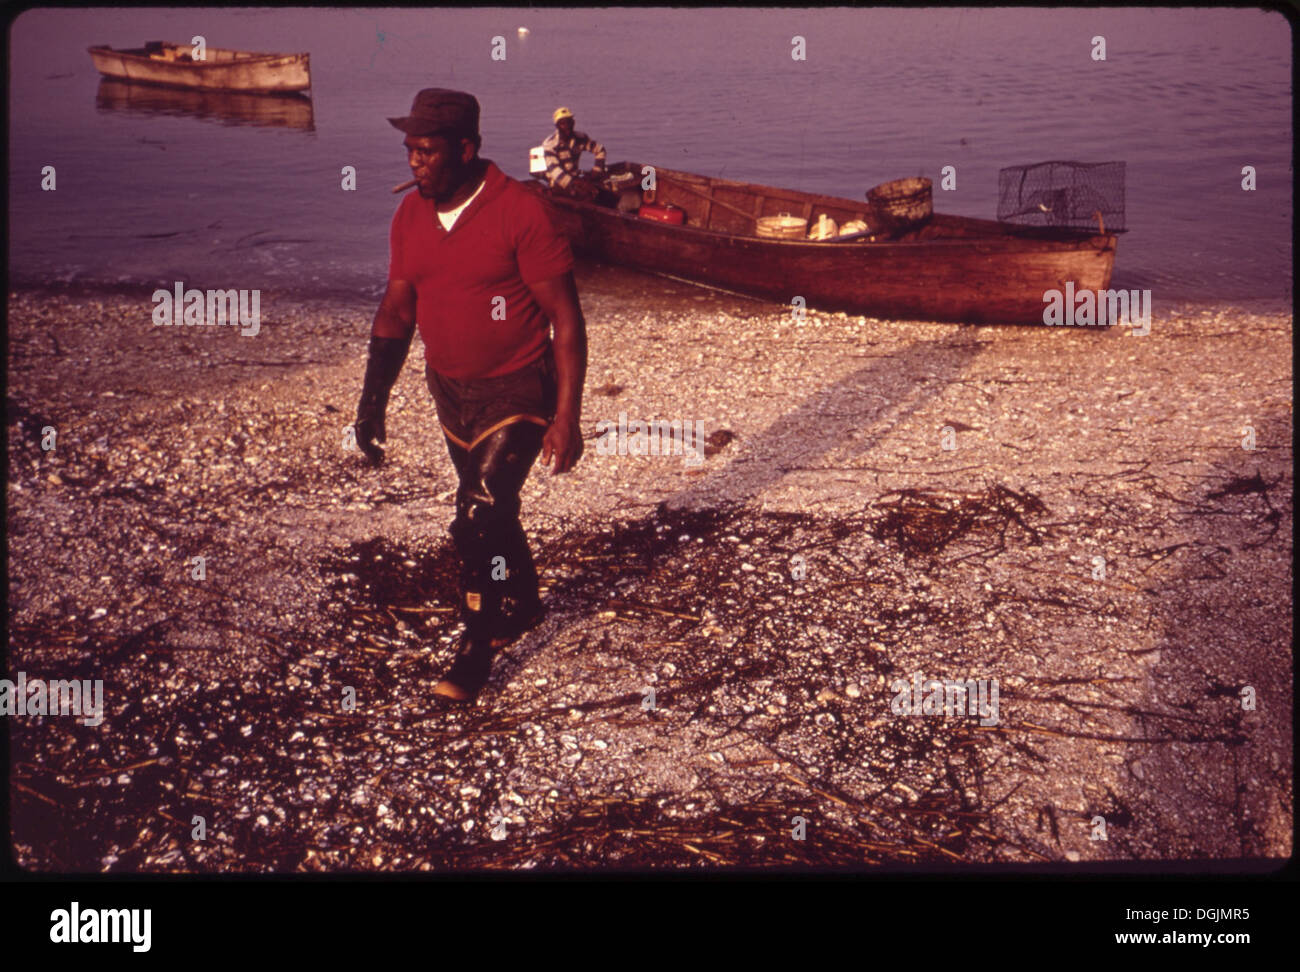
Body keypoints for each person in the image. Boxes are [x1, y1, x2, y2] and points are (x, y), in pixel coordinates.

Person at [355, 88, 588, 705]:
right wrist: (370, 403)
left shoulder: (521, 211)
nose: (415, 163)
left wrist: (568, 416)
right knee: (496, 509)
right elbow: (397, 310)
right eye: (409, 151)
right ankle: (530, 601)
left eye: (427, 151)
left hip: (518, 387)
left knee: (476, 517)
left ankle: (477, 645)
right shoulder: (409, 216)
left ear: (465, 148)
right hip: (449, 391)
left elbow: (566, 317)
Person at [542, 107, 608, 202]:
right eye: (563, 123)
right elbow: (556, 173)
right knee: (586, 195)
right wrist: (578, 184)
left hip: (575, 178)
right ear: (557, 126)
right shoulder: (550, 145)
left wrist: (597, 170)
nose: (567, 126)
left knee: (601, 190)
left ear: (573, 123)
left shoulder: (580, 138)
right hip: (558, 183)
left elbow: (600, 150)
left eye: (569, 122)